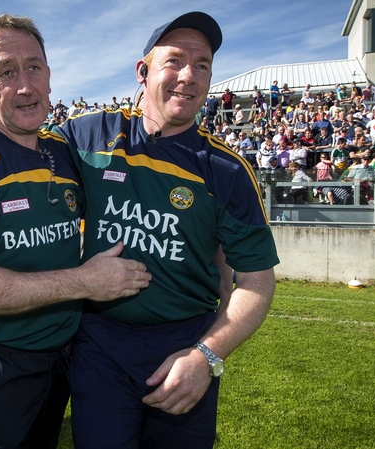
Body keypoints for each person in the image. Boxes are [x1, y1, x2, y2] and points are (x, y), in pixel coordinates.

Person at [0, 14, 150, 449]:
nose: (25, 85)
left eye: (34, 67)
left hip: (64, 351)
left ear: (48, 74)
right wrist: (85, 282)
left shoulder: (62, 149)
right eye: (5, 72)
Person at [56, 12, 278, 448]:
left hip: (185, 343)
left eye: (202, 65)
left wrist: (207, 356)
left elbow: (257, 281)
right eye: (174, 61)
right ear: (143, 72)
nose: (188, 76)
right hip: (98, 342)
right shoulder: (88, 134)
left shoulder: (228, 170)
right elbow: (17, 160)